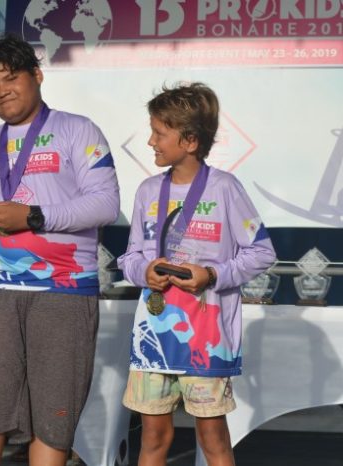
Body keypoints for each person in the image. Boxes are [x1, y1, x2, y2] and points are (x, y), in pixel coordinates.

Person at [0, 33, 120, 466]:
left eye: (10, 78)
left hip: (63, 291)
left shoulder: (78, 129)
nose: (1, 92)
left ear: (37, 75)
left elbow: (106, 204)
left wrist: (33, 217)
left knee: (52, 421)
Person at [117, 82, 277, 466]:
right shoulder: (147, 190)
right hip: (153, 338)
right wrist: (145, 271)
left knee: (212, 437)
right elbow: (130, 257)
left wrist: (212, 274)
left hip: (207, 338)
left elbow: (262, 252)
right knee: (153, 437)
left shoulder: (225, 188)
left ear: (189, 141)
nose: (151, 142)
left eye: (159, 133)